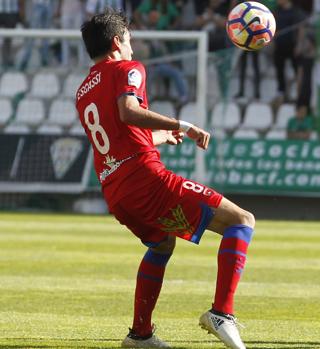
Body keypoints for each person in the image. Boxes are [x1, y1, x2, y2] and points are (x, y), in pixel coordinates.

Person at [77, 11, 254, 349]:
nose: (131, 47)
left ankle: (140, 334)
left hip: (116, 190)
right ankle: (222, 313)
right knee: (242, 221)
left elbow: (117, 134)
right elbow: (128, 111)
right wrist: (181, 125)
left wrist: (157, 137)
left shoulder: (84, 91)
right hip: (146, 180)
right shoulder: (128, 69)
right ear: (117, 42)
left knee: (162, 244)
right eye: (128, 40)